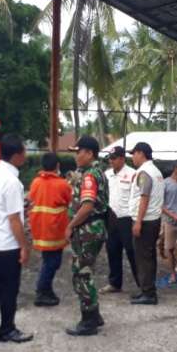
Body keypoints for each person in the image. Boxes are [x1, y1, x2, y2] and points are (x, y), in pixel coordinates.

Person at [0, 134, 33, 345]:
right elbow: (14, 220)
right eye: (23, 151)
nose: (25, 155)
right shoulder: (13, 182)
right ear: (16, 156)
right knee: (10, 289)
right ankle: (8, 328)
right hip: (8, 244)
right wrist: (24, 246)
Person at [65, 136, 109, 336]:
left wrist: (70, 226)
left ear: (89, 153)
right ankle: (95, 315)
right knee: (86, 270)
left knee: (81, 273)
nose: (76, 156)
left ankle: (88, 320)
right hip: (94, 228)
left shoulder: (90, 176)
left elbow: (87, 206)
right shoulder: (97, 172)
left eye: (79, 151)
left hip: (87, 230)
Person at [28, 152, 72, 307]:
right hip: (54, 230)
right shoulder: (62, 184)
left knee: (48, 260)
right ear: (58, 166)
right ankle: (42, 291)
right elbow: (70, 201)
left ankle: (46, 290)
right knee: (53, 262)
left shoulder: (35, 182)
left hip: (39, 228)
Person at [128, 142, 165, 305]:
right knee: (148, 256)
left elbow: (144, 198)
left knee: (143, 258)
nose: (132, 157)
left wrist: (138, 222)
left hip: (145, 221)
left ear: (141, 153)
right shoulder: (156, 171)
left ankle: (148, 293)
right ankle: (147, 289)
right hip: (153, 220)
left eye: (133, 154)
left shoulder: (144, 172)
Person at [102, 146, 138, 294]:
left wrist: (136, 219)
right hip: (111, 216)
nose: (111, 161)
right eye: (110, 158)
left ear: (122, 158)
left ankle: (142, 284)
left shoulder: (132, 174)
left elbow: (136, 197)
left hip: (127, 217)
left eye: (114, 158)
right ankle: (115, 283)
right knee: (112, 249)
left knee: (132, 251)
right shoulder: (107, 174)